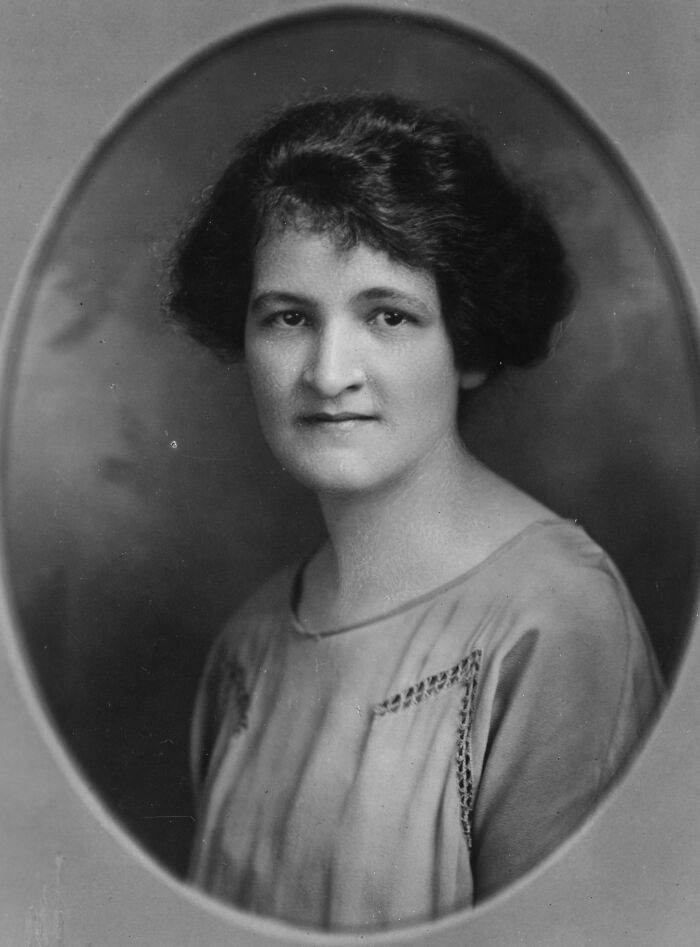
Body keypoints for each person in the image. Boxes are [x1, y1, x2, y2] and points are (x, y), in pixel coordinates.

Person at [168, 93, 663, 931]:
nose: (329, 372)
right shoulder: (248, 649)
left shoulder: (560, 623)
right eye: (289, 318)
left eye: (387, 316)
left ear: (466, 345)